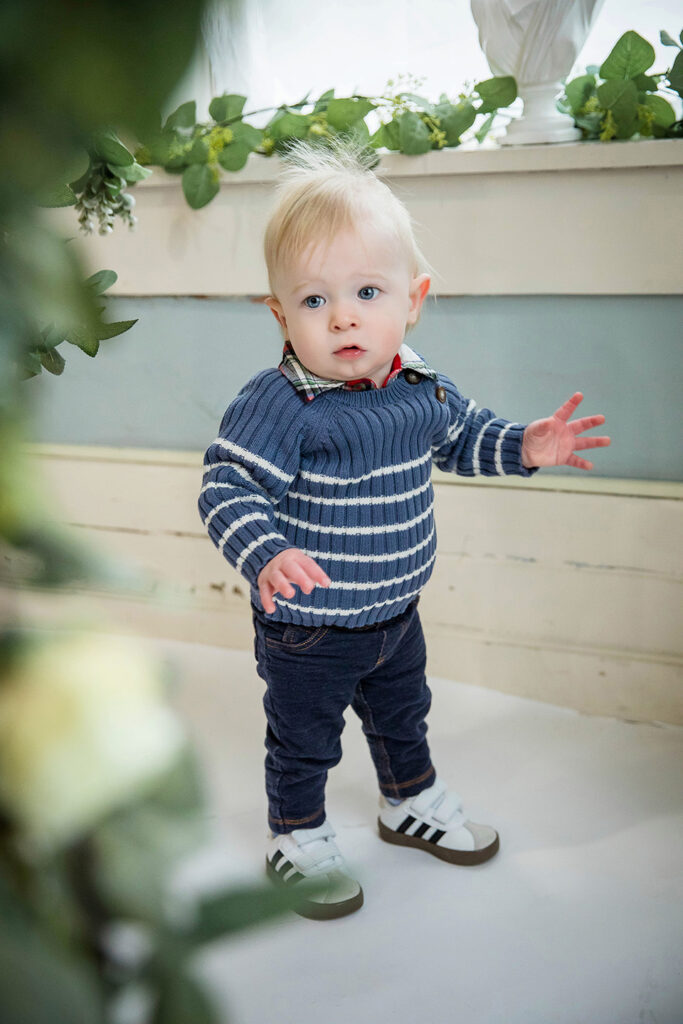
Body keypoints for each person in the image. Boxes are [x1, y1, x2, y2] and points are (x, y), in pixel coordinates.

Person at [198, 137, 610, 921]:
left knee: (401, 715)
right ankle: (297, 833)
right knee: (304, 736)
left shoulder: (419, 383)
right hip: (309, 626)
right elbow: (228, 482)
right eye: (314, 301)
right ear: (280, 315)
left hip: (394, 612)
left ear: (412, 299)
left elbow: (464, 437)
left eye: (367, 292)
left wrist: (525, 444)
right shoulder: (282, 402)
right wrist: (267, 551)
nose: (344, 316)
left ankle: (406, 801)